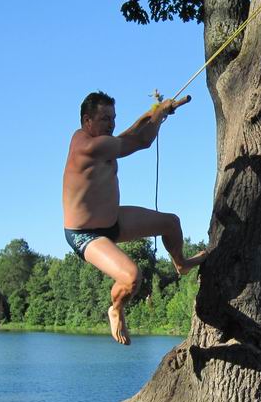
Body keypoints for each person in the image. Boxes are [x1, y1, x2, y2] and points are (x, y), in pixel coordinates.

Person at [63, 91, 206, 345]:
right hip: (86, 234)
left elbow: (127, 133)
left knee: (170, 223)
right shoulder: (88, 146)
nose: (111, 123)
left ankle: (181, 264)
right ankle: (115, 309)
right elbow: (141, 142)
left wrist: (152, 113)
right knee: (131, 277)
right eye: (105, 118)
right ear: (87, 120)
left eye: (113, 118)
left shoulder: (99, 139)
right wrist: (158, 117)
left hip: (112, 220)